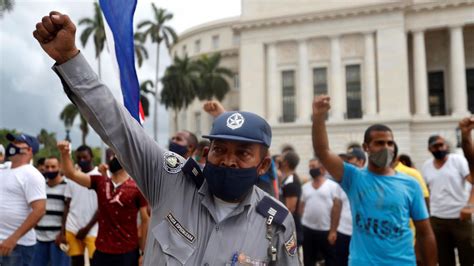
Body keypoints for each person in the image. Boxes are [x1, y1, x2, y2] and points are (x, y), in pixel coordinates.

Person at [34, 12, 298, 265]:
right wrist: (70, 58)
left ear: (262, 166)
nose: (229, 161)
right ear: (205, 154)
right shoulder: (170, 180)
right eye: (220, 150)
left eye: (242, 154)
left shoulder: (275, 223)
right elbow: (118, 127)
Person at [311, 95, 436, 265]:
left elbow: (425, 232)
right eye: (379, 143)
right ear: (366, 147)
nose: (386, 148)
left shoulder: (411, 184)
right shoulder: (353, 177)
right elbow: (323, 151)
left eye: (389, 143)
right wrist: (319, 117)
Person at [58, 141, 149, 266]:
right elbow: (71, 174)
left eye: (115, 155)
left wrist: (144, 253)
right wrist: (65, 153)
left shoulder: (137, 188)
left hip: (127, 252)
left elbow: (146, 220)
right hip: (101, 251)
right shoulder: (100, 181)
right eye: (110, 155)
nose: (111, 157)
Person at [421, 135, 473, 266]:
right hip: (437, 219)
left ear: (446, 146)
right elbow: (426, 192)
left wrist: (470, 205)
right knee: (444, 259)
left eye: (441, 145)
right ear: (429, 149)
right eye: (435, 146)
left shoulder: (457, 161)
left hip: (460, 218)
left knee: (468, 258)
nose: (439, 148)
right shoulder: (426, 166)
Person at [0, 133, 46, 266]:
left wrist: (14, 238)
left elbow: (39, 210)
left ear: (29, 150)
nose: (13, 145)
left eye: (18, 143)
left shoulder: (32, 175)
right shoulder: (4, 169)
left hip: (18, 246)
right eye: (13, 142)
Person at [300, 158, 341, 266]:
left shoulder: (332, 186)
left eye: (313, 166)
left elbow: (337, 209)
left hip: (326, 230)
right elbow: (301, 207)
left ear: (321, 169)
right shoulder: (305, 187)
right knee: (308, 259)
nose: (311, 169)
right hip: (308, 229)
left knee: (330, 260)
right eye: (310, 167)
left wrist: (333, 230)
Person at [63, 145, 99, 266]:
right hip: (72, 227)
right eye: (79, 158)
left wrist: (87, 228)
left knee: (95, 261)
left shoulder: (100, 176)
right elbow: (67, 205)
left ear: (91, 157)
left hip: (93, 230)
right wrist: (63, 230)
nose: (82, 160)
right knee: (76, 262)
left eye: (85, 157)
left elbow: (102, 207)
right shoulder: (72, 177)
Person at [32, 156, 70, 266]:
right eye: (47, 167)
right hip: (39, 238)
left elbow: (68, 211)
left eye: (53, 167)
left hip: (57, 238)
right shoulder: (40, 186)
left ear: (60, 167)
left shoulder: (67, 186)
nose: (50, 170)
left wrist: (63, 234)